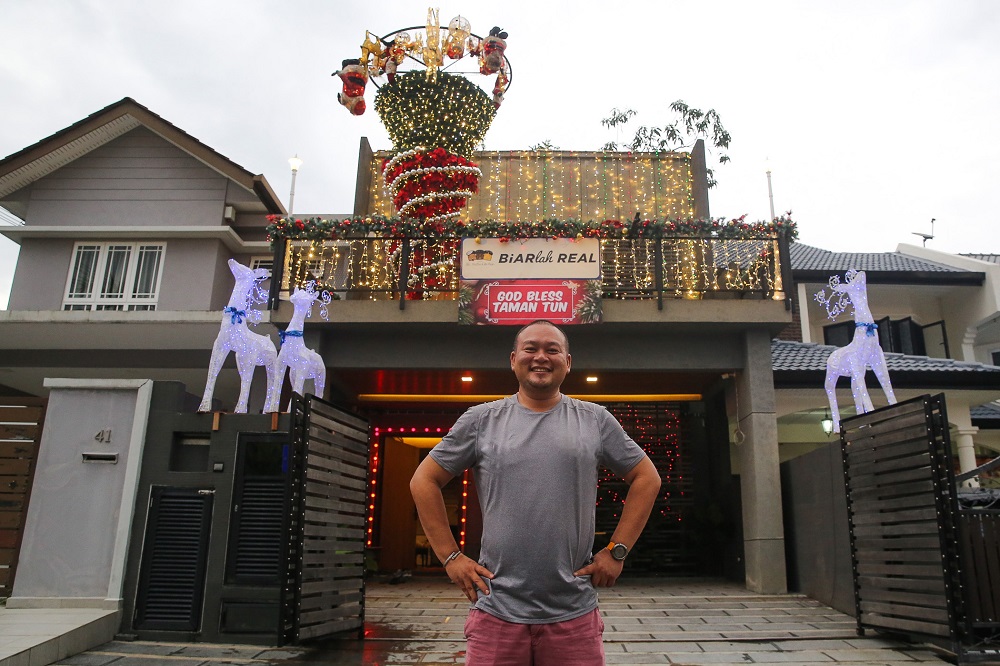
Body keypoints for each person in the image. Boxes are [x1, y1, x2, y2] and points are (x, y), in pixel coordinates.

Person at [410, 319, 662, 665]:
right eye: (531, 348)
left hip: (573, 613)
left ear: (568, 362)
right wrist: (451, 558)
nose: (540, 357)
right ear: (514, 359)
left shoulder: (594, 420)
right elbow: (423, 480)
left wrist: (617, 551)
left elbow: (646, 477)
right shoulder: (482, 420)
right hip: (496, 610)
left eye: (552, 349)